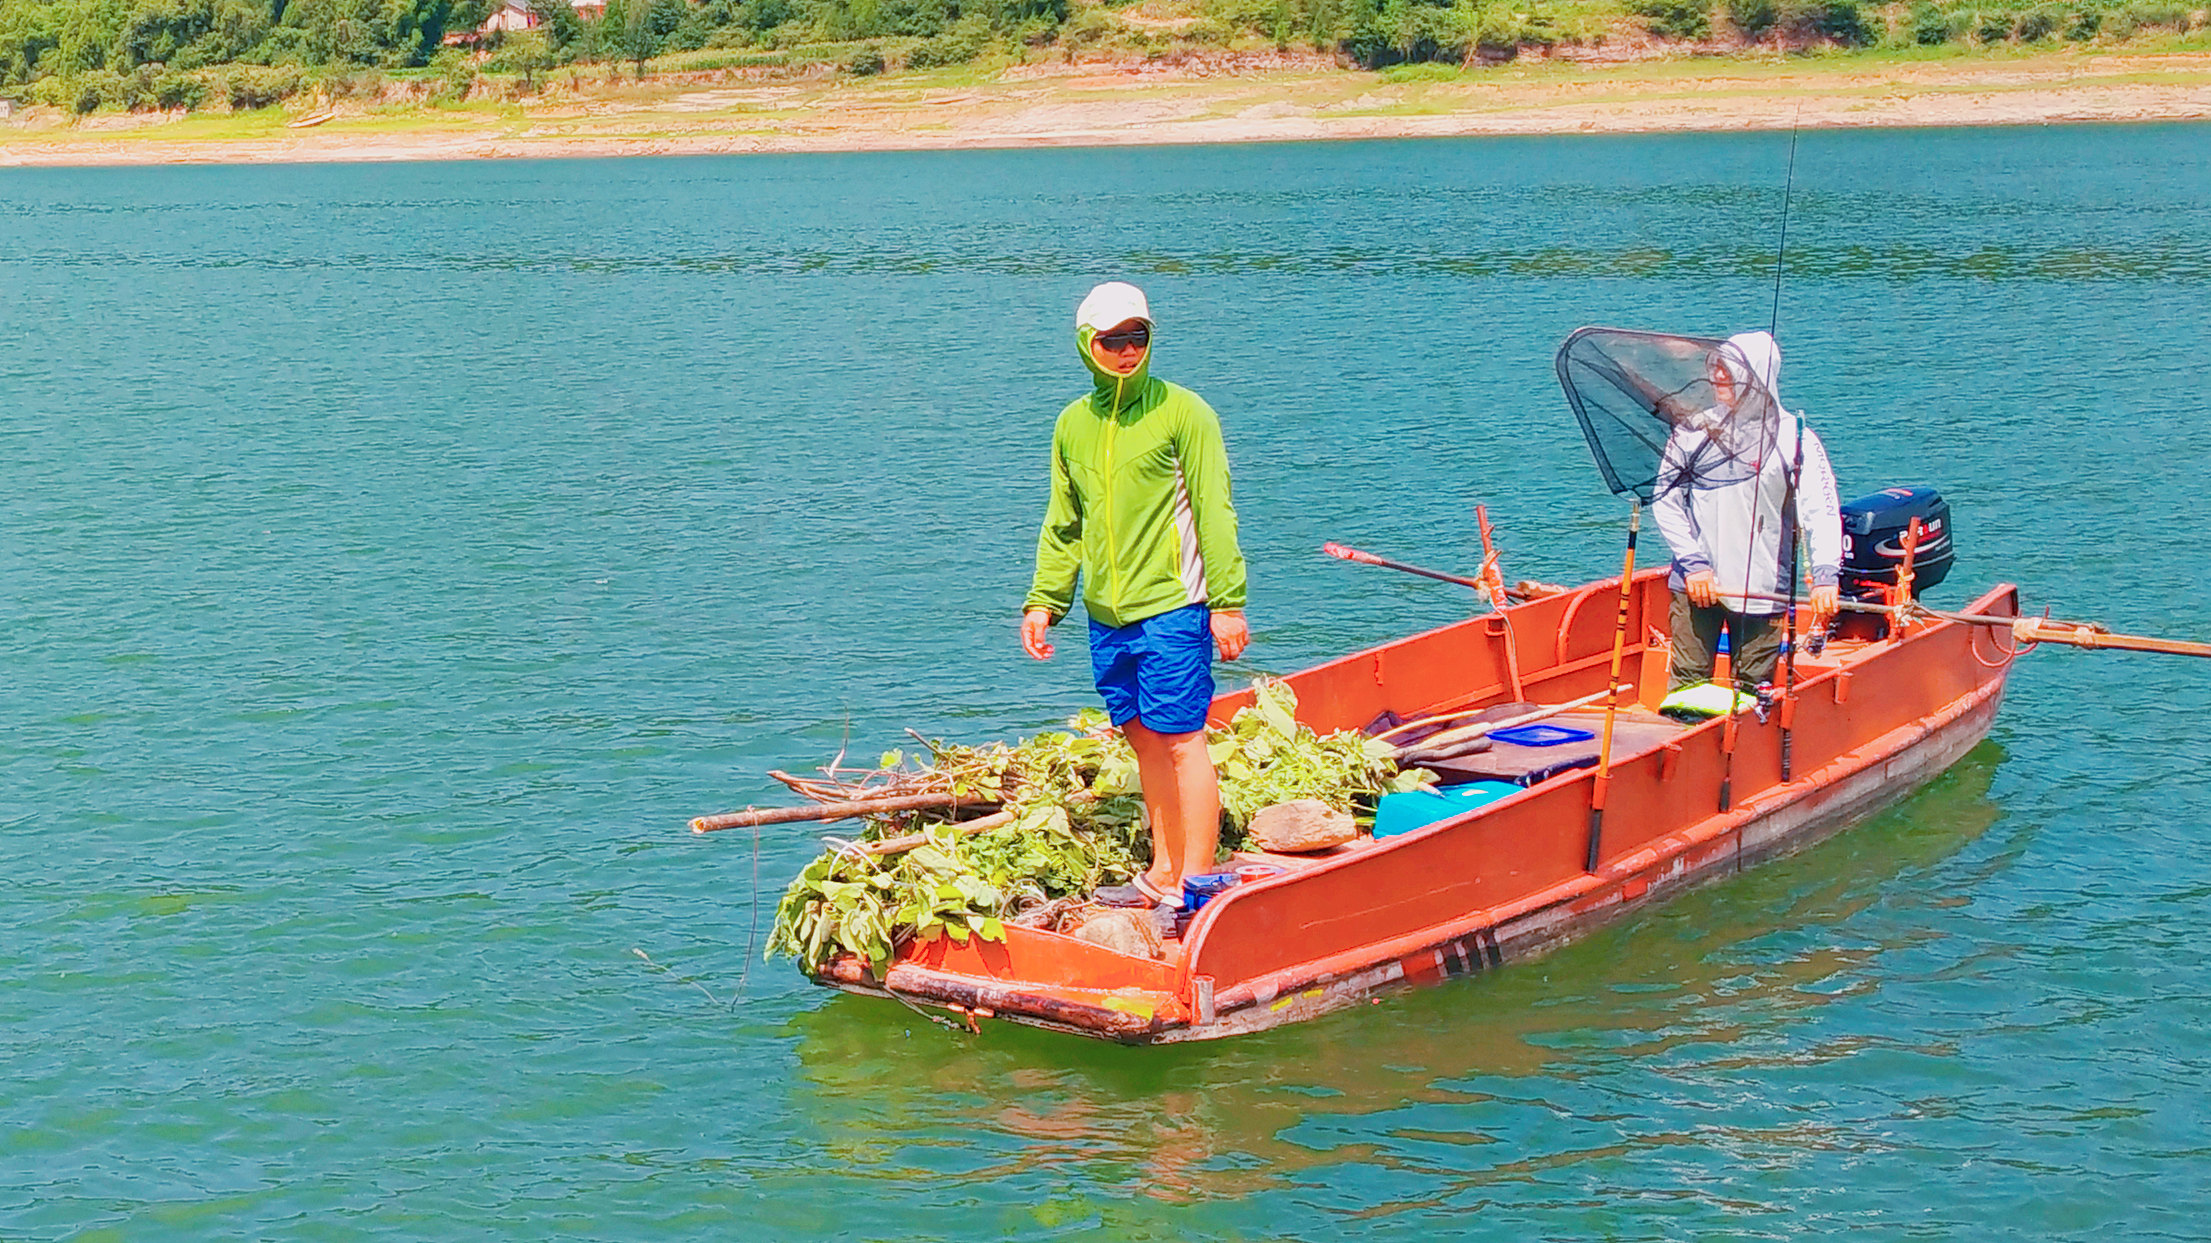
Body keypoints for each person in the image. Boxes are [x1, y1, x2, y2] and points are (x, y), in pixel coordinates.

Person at [1021, 282, 1250, 928]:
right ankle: (1162, 869)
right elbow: (1063, 523)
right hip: (1108, 613)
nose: (1125, 352)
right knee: (1141, 735)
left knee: (1182, 738)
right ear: (1085, 346)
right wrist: (1045, 600)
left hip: (1174, 606)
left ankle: (1198, 882)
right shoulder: (1072, 424)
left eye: (1136, 337)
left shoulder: (1184, 413)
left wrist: (1227, 603)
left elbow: (1214, 510)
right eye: (1111, 340)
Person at [1650, 331, 1842, 694]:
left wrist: (1826, 574)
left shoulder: (1796, 439)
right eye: (1717, 366)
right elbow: (1666, 500)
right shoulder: (1693, 430)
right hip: (1697, 587)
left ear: (1759, 376)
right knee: (1688, 686)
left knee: (1755, 691)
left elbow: (1822, 512)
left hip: (1763, 591)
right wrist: (1694, 564)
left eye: (1730, 369)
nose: (1718, 376)